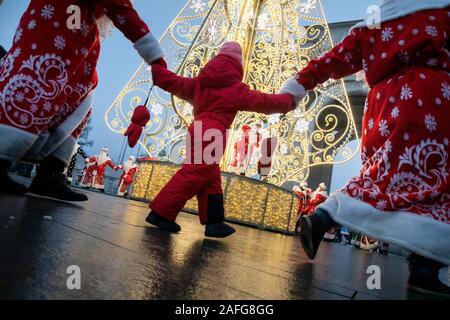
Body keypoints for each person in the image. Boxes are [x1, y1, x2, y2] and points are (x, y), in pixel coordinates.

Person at [285, 0, 450, 297]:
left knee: (379, 175)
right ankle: (426, 270)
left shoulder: (375, 23)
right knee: (435, 185)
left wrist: (300, 82)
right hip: (432, 102)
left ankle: (324, 216)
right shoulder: (441, 12)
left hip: (383, 106)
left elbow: (336, 57)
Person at [0, 0, 163, 201]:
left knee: (78, 90)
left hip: (74, 25)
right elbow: (118, 6)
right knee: (41, 79)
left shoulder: (81, 20)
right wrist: (154, 55)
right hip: (57, 21)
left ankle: (51, 170)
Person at [145, 42, 304, 238]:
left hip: (197, 129)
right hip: (213, 134)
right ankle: (161, 212)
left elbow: (171, 81)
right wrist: (290, 101)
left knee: (210, 177)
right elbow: (264, 102)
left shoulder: (198, 83)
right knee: (194, 173)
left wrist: (157, 65)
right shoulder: (235, 89)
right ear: (238, 66)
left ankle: (214, 221)